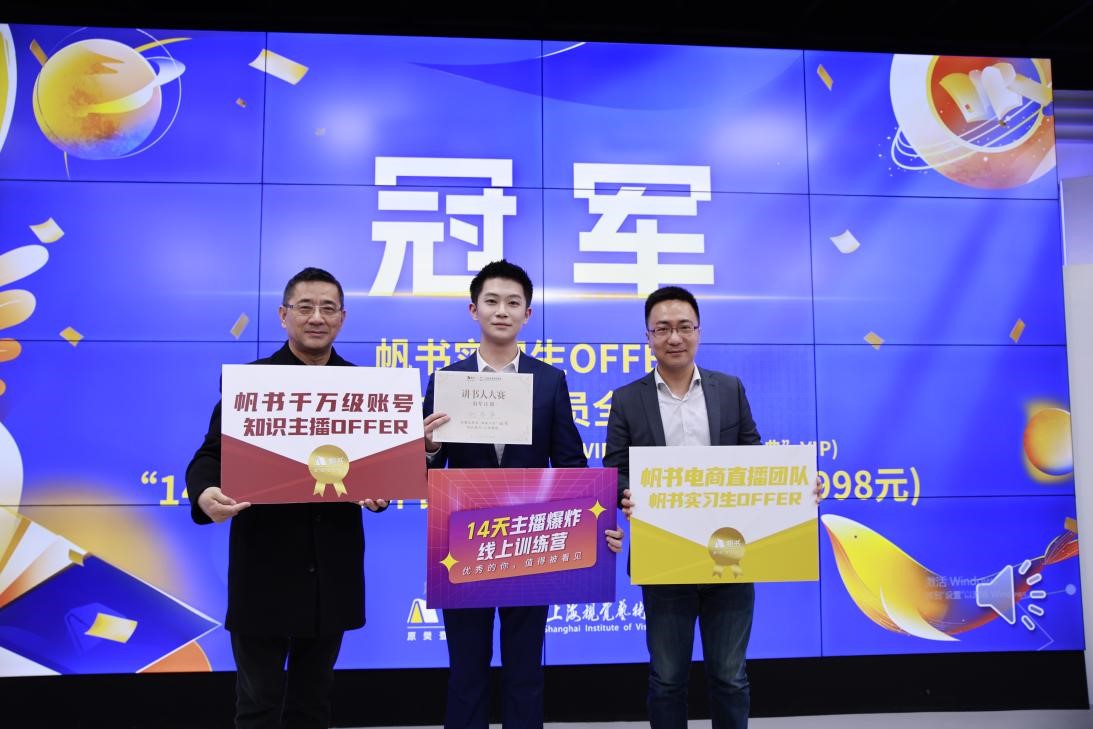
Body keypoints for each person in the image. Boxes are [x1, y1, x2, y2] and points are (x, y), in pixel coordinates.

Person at [422, 259, 623, 729]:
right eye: (491, 301)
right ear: (473, 309)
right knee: (465, 672)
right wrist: (428, 447)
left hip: (530, 541)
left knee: (525, 670)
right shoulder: (447, 381)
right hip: (463, 542)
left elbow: (570, 464)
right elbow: (427, 472)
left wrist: (599, 524)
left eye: (513, 303)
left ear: (527, 314)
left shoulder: (549, 381)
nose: (502, 311)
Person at [186, 267, 387, 729]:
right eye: (305, 307)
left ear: (342, 317)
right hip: (265, 568)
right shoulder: (253, 383)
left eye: (328, 308)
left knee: (313, 704)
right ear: (283, 315)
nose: (317, 318)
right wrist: (205, 493)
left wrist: (380, 494)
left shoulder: (365, 389)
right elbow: (211, 454)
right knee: (258, 703)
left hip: (330, 569)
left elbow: (377, 471)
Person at [604, 285, 759, 729]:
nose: (674, 337)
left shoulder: (729, 389)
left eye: (684, 327)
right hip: (664, 556)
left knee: (730, 677)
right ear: (648, 336)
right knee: (668, 679)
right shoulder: (627, 398)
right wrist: (626, 493)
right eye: (663, 329)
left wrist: (799, 485)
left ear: (699, 331)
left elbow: (755, 458)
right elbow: (615, 469)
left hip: (729, 553)